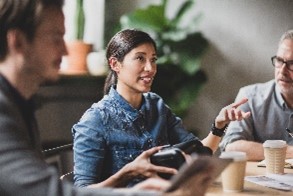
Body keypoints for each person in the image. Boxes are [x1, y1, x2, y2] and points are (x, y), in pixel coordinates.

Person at [0, 0, 178, 195]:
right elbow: (50, 192)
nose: (66, 50)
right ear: (17, 42)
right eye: (56, 38)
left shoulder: (21, 105)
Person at [72, 28, 251, 188]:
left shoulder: (156, 105)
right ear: (115, 64)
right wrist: (128, 173)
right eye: (140, 58)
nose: (150, 68)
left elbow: (198, 152)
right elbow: (81, 192)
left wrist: (218, 126)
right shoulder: (94, 121)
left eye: (153, 59)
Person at [219, 30, 293, 161]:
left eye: (292, 64)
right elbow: (231, 146)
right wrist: (287, 152)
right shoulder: (250, 97)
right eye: (279, 60)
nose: (282, 71)